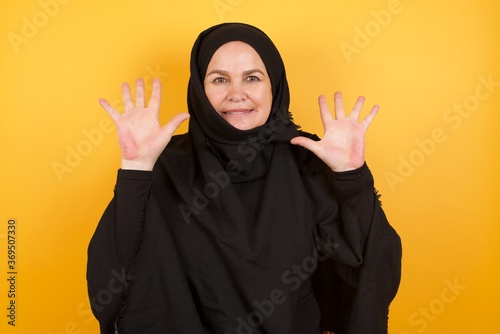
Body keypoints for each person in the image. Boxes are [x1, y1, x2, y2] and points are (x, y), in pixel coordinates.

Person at [87, 22, 402, 334]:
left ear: (273, 86)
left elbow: (375, 270)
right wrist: (136, 170)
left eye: (252, 78)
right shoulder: (165, 165)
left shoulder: (308, 159)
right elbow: (114, 280)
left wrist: (352, 177)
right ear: (199, 88)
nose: (237, 94)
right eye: (220, 79)